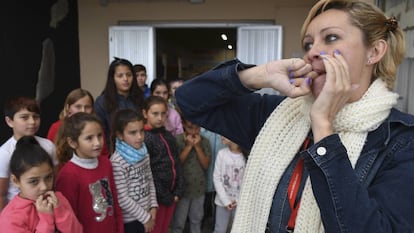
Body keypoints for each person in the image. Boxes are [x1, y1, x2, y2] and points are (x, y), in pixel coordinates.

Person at [175, 0, 414, 232]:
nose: (312, 52)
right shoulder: (276, 115)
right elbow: (189, 100)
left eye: (331, 38)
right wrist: (260, 74)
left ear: (374, 51)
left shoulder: (401, 140)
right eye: (309, 43)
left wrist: (323, 126)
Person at [54, 112, 124, 233]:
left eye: (99, 135)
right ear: (72, 142)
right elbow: (69, 219)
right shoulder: (68, 175)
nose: (97, 143)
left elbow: (114, 202)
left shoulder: (106, 163)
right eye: (89, 138)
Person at [0, 136, 83, 232]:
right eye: (33, 181)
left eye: (48, 177)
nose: (44, 187)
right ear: (15, 181)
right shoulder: (11, 217)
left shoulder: (58, 199)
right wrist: (46, 218)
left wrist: (60, 211)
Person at [0, 96, 57, 211]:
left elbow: (56, 179)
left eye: (35, 117)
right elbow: (1, 194)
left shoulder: (48, 145)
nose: (32, 122)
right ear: (9, 121)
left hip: (46, 206)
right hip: (19, 211)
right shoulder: (5, 153)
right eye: (24, 117)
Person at [110, 108, 158, 233]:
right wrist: (145, 217)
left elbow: (149, 180)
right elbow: (122, 198)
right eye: (132, 132)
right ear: (120, 135)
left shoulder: (144, 152)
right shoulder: (117, 161)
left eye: (141, 131)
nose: (140, 137)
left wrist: (153, 206)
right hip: (132, 220)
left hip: (147, 213)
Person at [143, 96, 184, 233]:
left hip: (172, 194)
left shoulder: (168, 135)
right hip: (157, 199)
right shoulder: (144, 138)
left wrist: (178, 190)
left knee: (165, 228)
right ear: (145, 113)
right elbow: (149, 171)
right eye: (155, 114)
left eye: (163, 113)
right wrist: (166, 196)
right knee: (155, 228)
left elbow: (177, 162)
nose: (160, 118)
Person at [95, 57, 145, 150]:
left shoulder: (140, 98)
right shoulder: (102, 102)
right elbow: (101, 132)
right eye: (120, 76)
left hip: (140, 150)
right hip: (114, 152)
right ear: (113, 78)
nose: (125, 79)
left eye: (129, 75)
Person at [171, 118, 211, 233]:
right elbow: (177, 163)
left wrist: (198, 147)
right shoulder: (177, 141)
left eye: (197, 128)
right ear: (183, 125)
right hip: (182, 190)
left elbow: (205, 165)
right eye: (190, 128)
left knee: (196, 219)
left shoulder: (204, 142)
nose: (194, 132)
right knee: (179, 222)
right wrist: (188, 147)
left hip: (198, 189)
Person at [47, 88, 109, 157]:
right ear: (68, 107)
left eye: (87, 107)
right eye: (78, 107)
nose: (83, 110)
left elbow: (103, 154)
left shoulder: (96, 127)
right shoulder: (56, 127)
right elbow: (51, 154)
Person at [212, 136, 246, 233]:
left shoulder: (246, 157)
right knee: (220, 230)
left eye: (225, 133)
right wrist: (225, 201)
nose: (221, 135)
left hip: (240, 204)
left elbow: (247, 182)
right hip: (222, 202)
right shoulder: (221, 154)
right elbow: (216, 178)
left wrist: (238, 200)